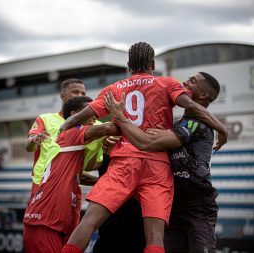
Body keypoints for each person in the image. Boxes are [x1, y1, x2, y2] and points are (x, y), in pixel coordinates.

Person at [60, 42, 227, 253]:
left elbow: (88, 112)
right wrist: (222, 129)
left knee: (89, 222)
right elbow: (192, 106)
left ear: (129, 65)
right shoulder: (167, 83)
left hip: (123, 162)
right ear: (153, 63)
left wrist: (67, 123)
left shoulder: (114, 89)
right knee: (155, 238)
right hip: (156, 166)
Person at [104, 71, 221, 253]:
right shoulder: (177, 125)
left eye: (192, 81)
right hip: (173, 205)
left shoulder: (197, 123)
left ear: (204, 94)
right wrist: (118, 141)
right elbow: (146, 139)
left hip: (197, 206)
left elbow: (146, 142)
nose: (185, 82)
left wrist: (120, 117)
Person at [23, 96, 120, 253]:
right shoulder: (71, 132)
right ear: (75, 115)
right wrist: (126, 117)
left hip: (62, 218)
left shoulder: (77, 147)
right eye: (89, 111)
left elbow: (87, 170)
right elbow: (107, 128)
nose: (95, 115)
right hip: (45, 219)